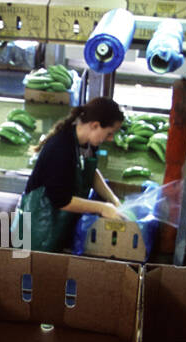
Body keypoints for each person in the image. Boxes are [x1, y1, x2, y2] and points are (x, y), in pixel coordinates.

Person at [15, 96, 126, 253]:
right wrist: (102, 208)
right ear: (95, 125)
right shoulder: (61, 148)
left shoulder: (87, 144)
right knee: (32, 271)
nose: (110, 139)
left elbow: (91, 171)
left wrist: (112, 199)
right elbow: (62, 200)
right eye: (109, 133)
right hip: (38, 229)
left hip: (59, 225)